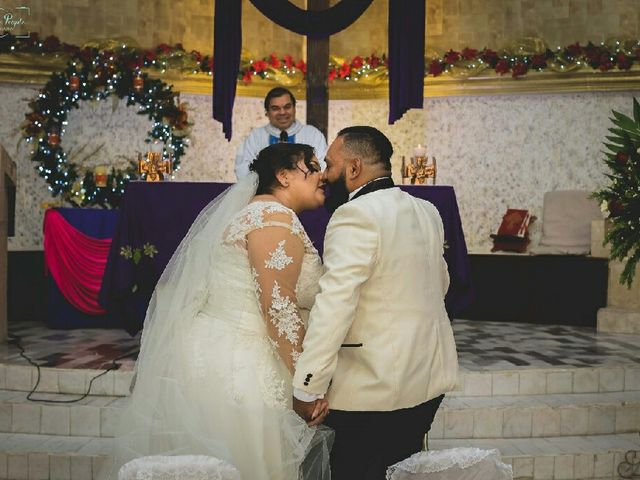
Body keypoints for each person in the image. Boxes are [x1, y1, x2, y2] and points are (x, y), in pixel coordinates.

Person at [100, 143, 333, 480]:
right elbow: (278, 309)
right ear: (283, 176)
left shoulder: (253, 215)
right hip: (246, 371)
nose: (321, 175)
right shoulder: (274, 219)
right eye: (310, 166)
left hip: (218, 358)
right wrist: (307, 386)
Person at [292, 126, 459, 480]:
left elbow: (335, 304)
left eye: (330, 164)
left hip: (372, 386)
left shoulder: (354, 215)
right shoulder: (426, 209)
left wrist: (308, 383)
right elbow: (440, 283)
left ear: (353, 169)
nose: (324, 174)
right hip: (428, 377)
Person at [235, 87, 328, 179]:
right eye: (275, 108)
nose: (282, 112)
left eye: (287, 107)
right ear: (267, 112)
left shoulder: (312, 134)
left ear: (294, 108)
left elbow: (321, 166)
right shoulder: (255, 137)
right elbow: (243, 169)